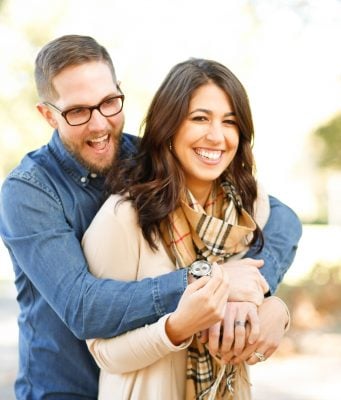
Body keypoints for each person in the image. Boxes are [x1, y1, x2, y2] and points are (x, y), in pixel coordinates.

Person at [0, 35, 302, 399]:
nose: (99, 125)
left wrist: (257, 293)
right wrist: (206, 281)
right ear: (48, 114)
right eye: (78, 111)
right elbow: (83, 306)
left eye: (109, 102)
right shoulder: (29, 191)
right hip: (64, 389)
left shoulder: (149, 158)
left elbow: (281, 218)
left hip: (152, 380)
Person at [82, 58, 293, 399]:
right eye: (199, 119)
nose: (216, 136)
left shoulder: (248, 207)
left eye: (230, 122)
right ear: (169, 128)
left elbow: (255, 290)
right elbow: (103, 351)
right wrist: (178, 326)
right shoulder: (124, 217)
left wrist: (276, 311)